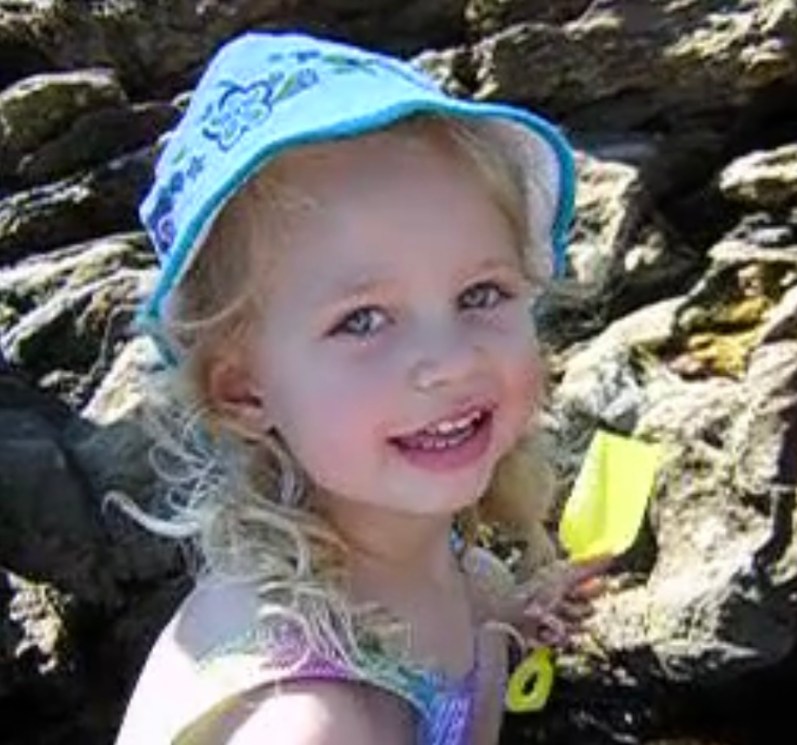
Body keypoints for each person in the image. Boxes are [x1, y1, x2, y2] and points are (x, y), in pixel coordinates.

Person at [113, 30, 607, 745]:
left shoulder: (443, 560)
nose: (449, 361)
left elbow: (460, 613)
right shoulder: (309, 719)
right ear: (245, 389)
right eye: (363, 319)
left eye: (480, 293)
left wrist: (517, 618)